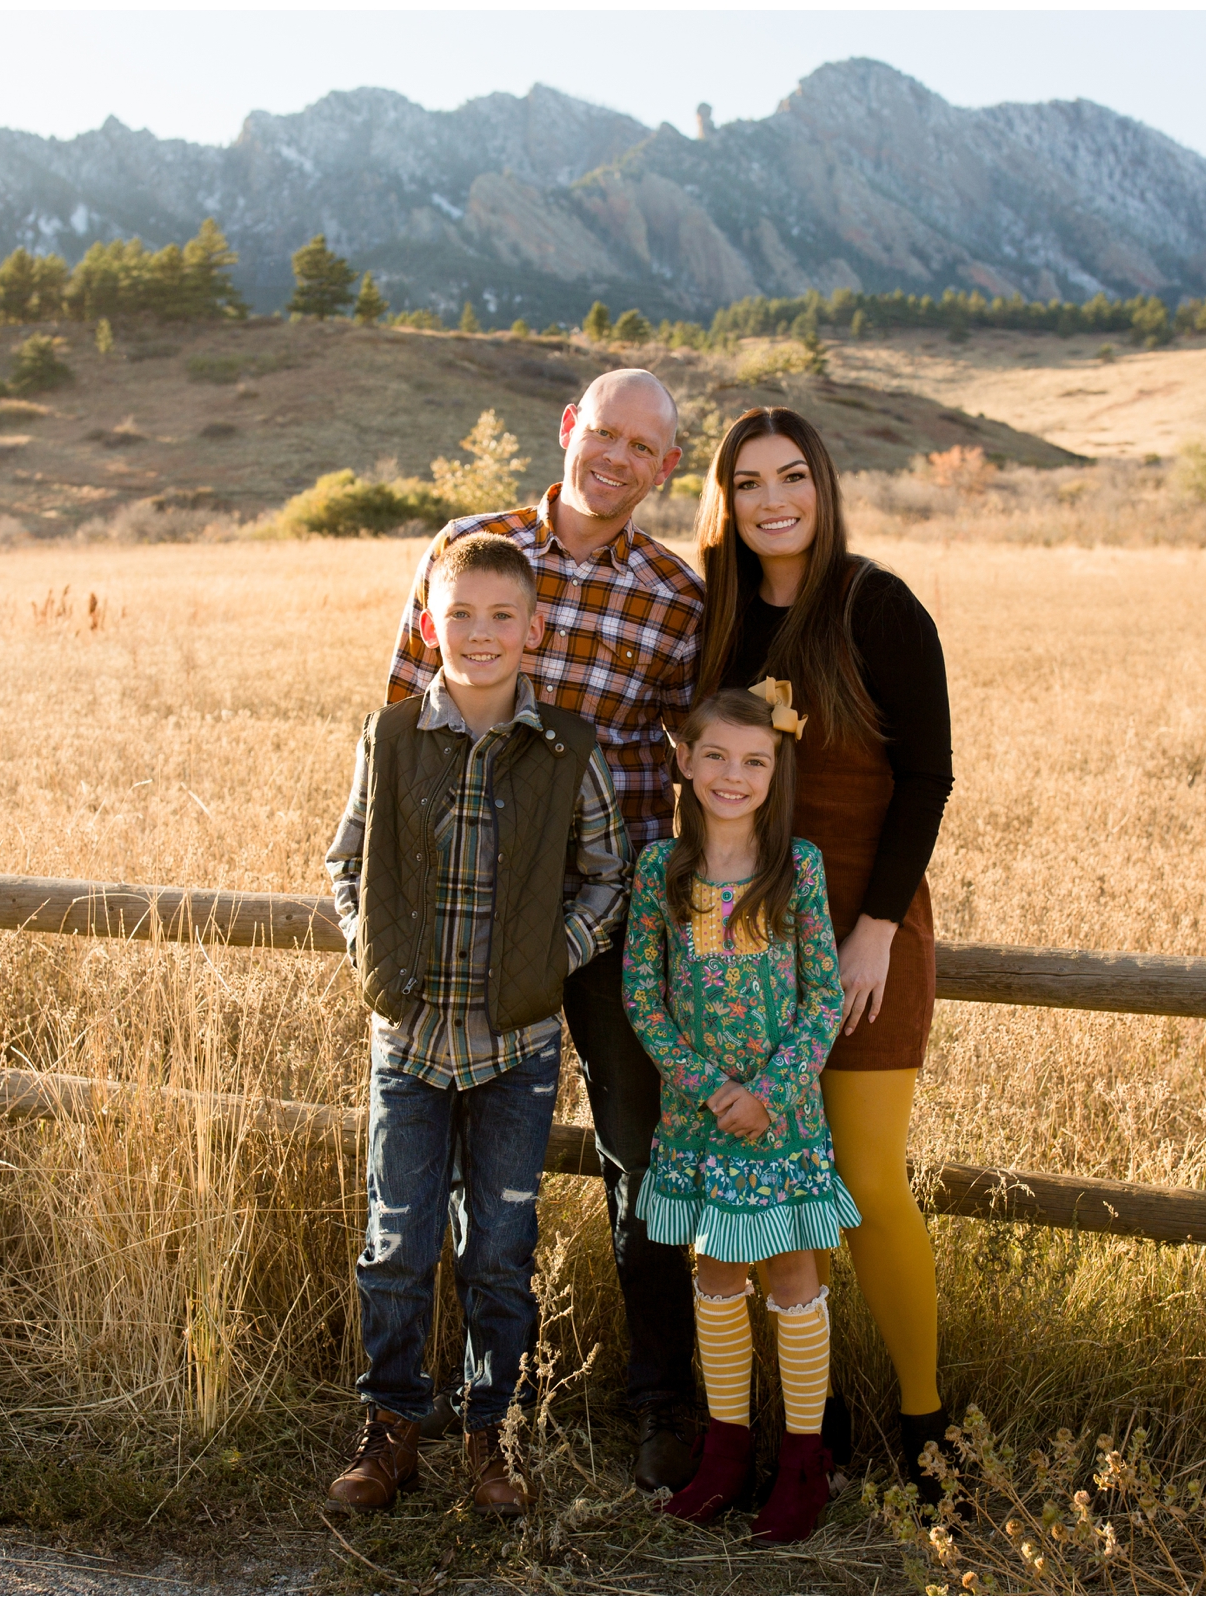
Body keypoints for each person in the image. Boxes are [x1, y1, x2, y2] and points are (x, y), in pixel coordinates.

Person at [384, 369, 708, 1492]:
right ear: (568, 429)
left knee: (640, 1146)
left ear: (665, 469)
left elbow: (699, 750)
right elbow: (399, 722)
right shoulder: (470, 549)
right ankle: (424, 1413)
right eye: (602, 433)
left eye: (642, 448)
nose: (615, 458)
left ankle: (666, 1400)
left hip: (607, 911)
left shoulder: (675, 593)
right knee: (443, 1156)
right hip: (468, 907)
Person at [324, 534, 631, 1516]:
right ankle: (391, 1431)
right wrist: (373, 955)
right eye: (462, 615)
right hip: (410, 1045)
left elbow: (608, 875)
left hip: (515, 1053)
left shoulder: (565, 749)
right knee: (397, 1242)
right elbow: (345, 862)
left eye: (504, 616)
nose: (483, 633)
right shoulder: (392, 737)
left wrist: (553, 959)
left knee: (499, 1247)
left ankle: (489, 1435)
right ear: (430, 626)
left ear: (535, 630)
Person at [690, 406, 957, 1507]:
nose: (771, 501)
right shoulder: (714, 613)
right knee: (771, 1187)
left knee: (865, 1179)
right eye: (747, 483)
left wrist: (876, 931)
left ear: (824, 484)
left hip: (861, 935)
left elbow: (929, 776)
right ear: (725, 498)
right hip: (743, 945)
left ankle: (928, 1424)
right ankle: (817, 1415)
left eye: (790, 476)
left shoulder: (873, 604)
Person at [623, 684, 853, 1545]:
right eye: (714, 756)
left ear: (775, 769)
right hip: (697, 1118)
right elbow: (643, 996)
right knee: (716, 1275)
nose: (732, 775)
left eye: (754, 761)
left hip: (782, 1121)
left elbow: (822, 999)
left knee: (792, 1277)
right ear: (683, 761)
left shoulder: (798, 868)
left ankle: (801, 1463)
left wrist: (771, 1092)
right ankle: (724, 1454)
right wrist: (708, 1087)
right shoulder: (662, 872)